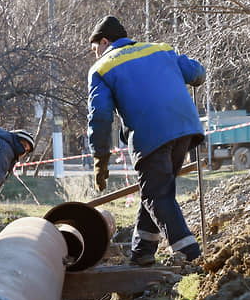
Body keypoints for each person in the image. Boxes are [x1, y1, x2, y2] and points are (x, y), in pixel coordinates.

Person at [87, 15, 205, 266]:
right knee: (154, 190)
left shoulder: (102, 68)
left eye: (95, 48)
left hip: (150, 135)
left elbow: (100, 117)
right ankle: (142, 252)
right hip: (184, 127)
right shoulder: (160, 49)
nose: (95, 54)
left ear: (105, 41)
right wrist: (195, 77)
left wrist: (100, 158)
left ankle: (190, 253)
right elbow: (196, 71)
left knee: (156, 196)